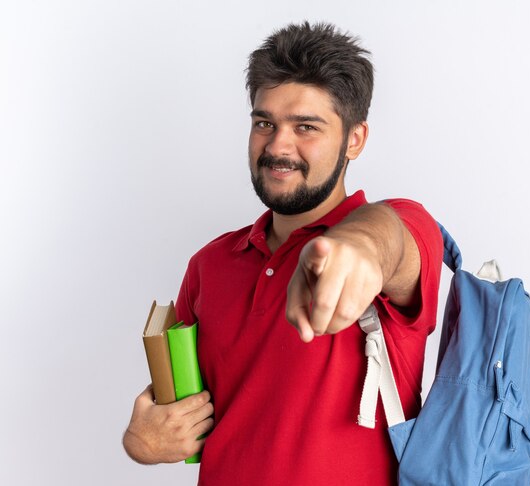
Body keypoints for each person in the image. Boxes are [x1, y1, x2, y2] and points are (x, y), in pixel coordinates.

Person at [123, 21, 443, 485]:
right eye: (264, 123)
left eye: (306, 127)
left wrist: (359, 248)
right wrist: (143, 442)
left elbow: (391, 238)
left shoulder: (398, 232)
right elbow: (181, 418)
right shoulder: (208, 265)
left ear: (355, 138)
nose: (277, 146)